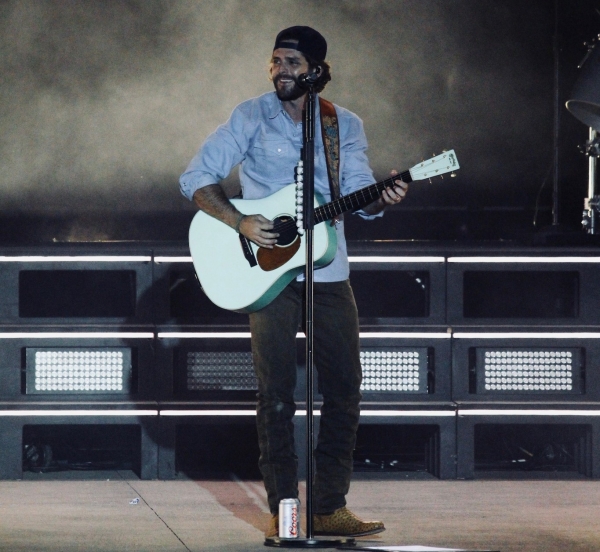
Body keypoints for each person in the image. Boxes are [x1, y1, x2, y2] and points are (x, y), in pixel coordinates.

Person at [180, 25, 408, 538]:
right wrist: (240, 221)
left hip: (328, 270)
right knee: (276, 393)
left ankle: (329, 506)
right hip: (267, 272)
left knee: (346, 387)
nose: (281, 70)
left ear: (317, 72)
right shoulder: (249, 116)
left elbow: (357, 194)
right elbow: (195, 177)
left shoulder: (341, 124)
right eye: (276, 60)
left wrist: (381, 196)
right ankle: (285, 509)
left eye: (292, 63)